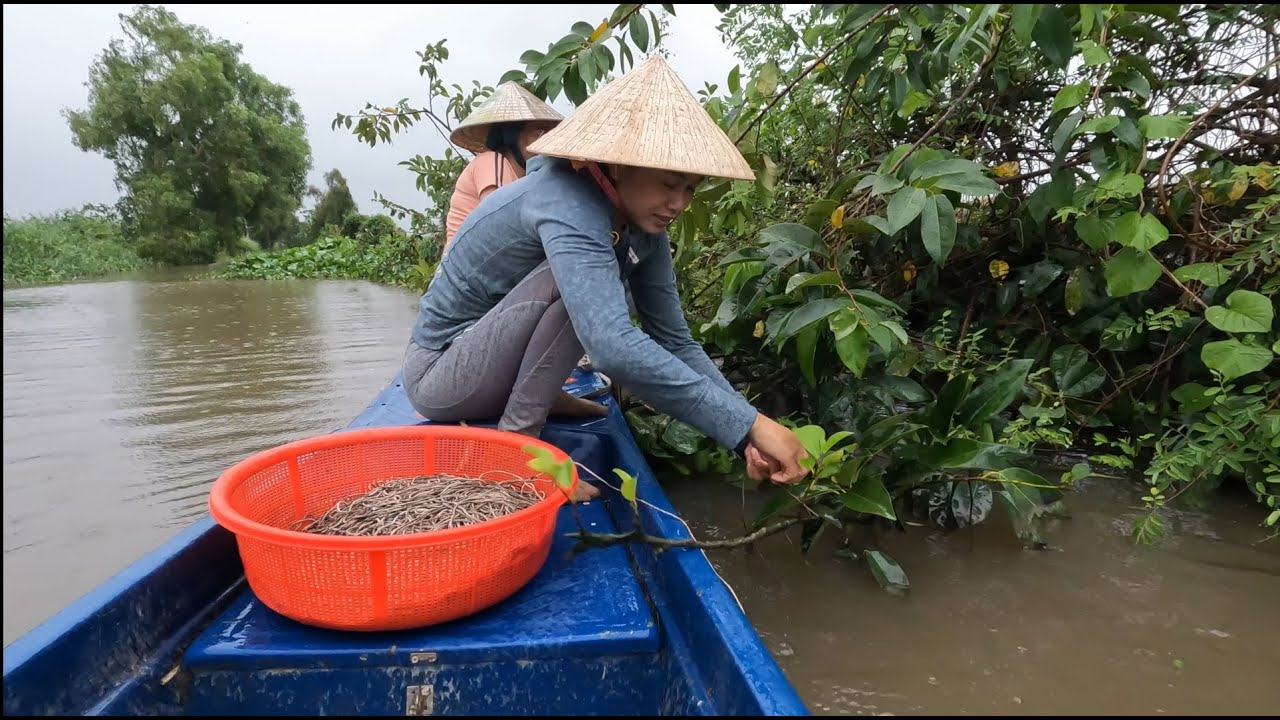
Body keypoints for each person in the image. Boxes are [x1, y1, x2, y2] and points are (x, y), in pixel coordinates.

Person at [403, 56, 809, 501]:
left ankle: (541, 394)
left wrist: (744, 432)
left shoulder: (644, 225)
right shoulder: (565, 199)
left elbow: (674, 339)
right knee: (589, 288)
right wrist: (752, 423)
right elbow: (610, 344)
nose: (678, 203)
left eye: (690, 188)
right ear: (617, 166)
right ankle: (517, 453)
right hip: (441, 376)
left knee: (600, 284)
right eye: (668, 184)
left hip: (492, 364)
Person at [443, 81, 564, 255]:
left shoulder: (523, 177)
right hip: (467, 265)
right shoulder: (492, 162)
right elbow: (500, 222)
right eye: (539, 130)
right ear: (511, 135)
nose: (545, 138)